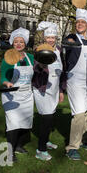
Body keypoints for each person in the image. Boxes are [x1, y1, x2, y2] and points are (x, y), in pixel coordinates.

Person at [62, 9, 87, 160]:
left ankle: (83, 140)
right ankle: (72, 147)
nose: (80, 24)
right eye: (78, 22)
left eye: (83, 22)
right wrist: (70, 42)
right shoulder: (71, 37)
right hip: (75, 80)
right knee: (79, 113)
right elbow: (67, 44)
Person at [0, 27, 34, 163]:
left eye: (21, 42)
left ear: (25, 44)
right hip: (12, 95)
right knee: (13, 124)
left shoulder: (30, 58)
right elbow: (3, 76)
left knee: (25, 123)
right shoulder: (8, 58)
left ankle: (19, 145)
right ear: (12, 44)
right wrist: (6, 83)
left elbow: (37, 72)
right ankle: (10, 152)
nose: (19, 44)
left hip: (27, 96)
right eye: (16, 42)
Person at [31, 21, 64, 161]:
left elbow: (63, 71)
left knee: (51, 117)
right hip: (42, 88)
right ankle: (40, 149)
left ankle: (46, 141)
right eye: (48, 37)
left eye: (53, 38)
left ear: (56, 38)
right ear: (44, 38)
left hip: (54, 89)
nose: (50, 40)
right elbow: (36, 70)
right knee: (46, 118)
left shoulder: (59, 50)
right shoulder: (39, 49)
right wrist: (41, 63)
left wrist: (61, 90)